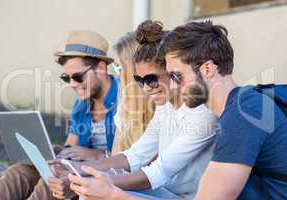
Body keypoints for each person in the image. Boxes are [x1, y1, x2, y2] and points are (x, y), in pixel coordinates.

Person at [66, 20, 217, 200]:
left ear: (171, 71)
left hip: (187, 197)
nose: (146, 88)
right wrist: (80, 170)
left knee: (97, 192)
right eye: (139, 80)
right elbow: (135, 155)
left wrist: (103, 180)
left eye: (151, 79)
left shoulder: (203, 115)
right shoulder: (165, 108)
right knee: (90, 193)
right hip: (165, 191)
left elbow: (159, 171)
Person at [161, 20, 287, 200]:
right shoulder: (245, 103)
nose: (172, 86)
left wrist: (115, 194)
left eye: (176, 76)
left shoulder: (244, 115)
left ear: (207, 69)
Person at [0, 30, 119, 200]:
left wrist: (98, 155)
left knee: (54, 180)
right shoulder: (81, 104)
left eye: (78, 77)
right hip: (81, 167)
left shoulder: (126, 100)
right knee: (20, 171)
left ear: (101, 68)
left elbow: (137, 155)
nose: (72, 84)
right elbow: (71, 146)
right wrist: (55, 156)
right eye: (67, 78)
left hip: (109, 172)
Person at [112, 32, 154, 154]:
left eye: (118, 67)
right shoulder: (125, 105)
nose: (116, 74)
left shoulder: (163, 106)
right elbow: (115, 155)